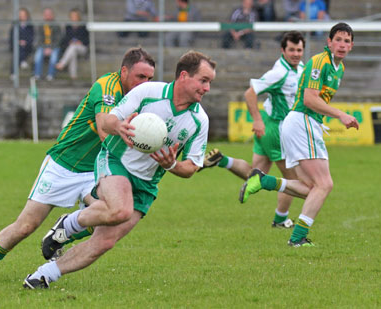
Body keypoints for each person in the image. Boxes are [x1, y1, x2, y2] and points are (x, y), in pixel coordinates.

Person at [22, 50, 216, 289]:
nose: (207, 88)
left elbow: (192, 167)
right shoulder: (147, 93)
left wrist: (172, 164)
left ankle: (43, 276)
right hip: (115, 160)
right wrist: (120, 127)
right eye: (204, 81)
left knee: (105, 242)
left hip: (146, 184)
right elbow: (107, 121)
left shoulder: (200, 121)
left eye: (210, 83)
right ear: (184, 76)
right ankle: (70, 224)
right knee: (121, 210)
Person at [0, 47, 156, 280]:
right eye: (140, 77)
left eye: (149, 79)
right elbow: (105, 128)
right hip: (63, 164)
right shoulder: (107, 86)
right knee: (26, 225)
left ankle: (61, 233)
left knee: (111, 214)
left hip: (95, 169)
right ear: (124, 71)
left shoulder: (143, 97)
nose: (145, 83)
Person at [239, 23, 359, 247]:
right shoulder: (319, 62)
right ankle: (297, 238)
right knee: (325, 185)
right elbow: (309, 99)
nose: (342, 45)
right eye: (338, 40)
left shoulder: (338, 68)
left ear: (352, 46)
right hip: (302, 122)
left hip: (302, 124)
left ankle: (264, 181)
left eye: (347, 41)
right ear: (329, 42)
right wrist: (340, 114)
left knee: (311, 187)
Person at [201, 31, 306, 229]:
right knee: (292, 179)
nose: (296, 53)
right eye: (291, 50)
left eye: (299, 50)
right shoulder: (279, 73)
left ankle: (222, 160)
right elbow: (250, 93)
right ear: (283, 50)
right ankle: (281, 219)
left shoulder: (300, 68)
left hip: (271, 126)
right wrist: (257, 120)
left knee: (255, 174)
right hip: (275, 128)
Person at [55, 8, 89, 80]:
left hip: (82, 47)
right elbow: (65, 39)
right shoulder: (68, 27)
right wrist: (69, 42)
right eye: (72, 16)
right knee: (73, 51)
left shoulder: (83, 26)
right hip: (72, 48)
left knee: (73, 47)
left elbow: (87, 40)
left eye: (75, 16)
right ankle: (73, 76)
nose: (74, 17)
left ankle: (62, 63)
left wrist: (80, 42)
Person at [33, 8, 62, 81]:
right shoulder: (41, 26)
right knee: (38, 55)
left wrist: (50, 48)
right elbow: (39, 39)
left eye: (49, 14)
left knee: (54, 57)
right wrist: (45, 48)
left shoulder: (56, 26)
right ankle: (37, 74)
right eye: (46, 15)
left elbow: (58, 39)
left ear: (52, 15)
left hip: (54, 47)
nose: (48, 16)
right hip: (43, 47)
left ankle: (51, 75)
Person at [9, 7, 34, 73]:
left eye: (24, 15)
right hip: (16, 45)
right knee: (18, 49)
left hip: (27, 46)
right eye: (21, 15)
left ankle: (13, 72)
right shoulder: (15, 25)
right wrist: (18, 41)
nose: (22, 17)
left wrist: (26, 42)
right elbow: (12, 37)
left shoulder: (30, 25)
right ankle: (22, 61)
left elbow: (31, 37)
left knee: (20, 49)